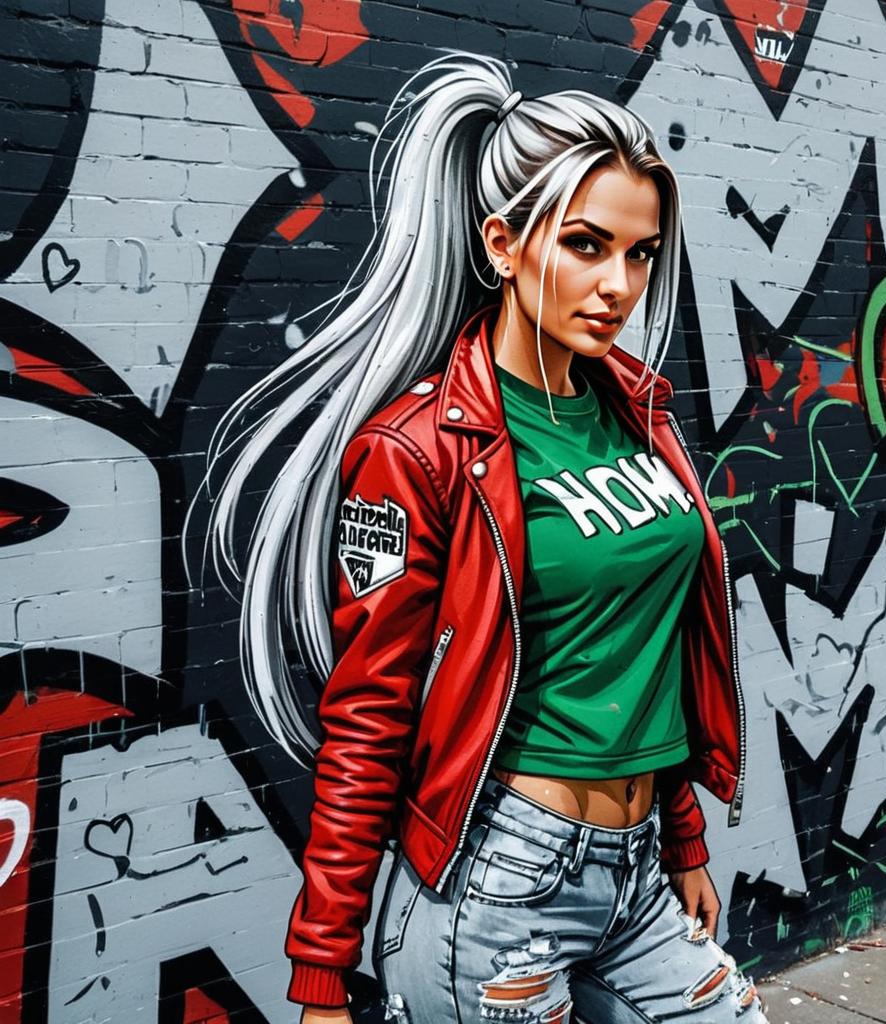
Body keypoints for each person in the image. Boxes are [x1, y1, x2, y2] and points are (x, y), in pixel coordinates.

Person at [198, 53, 766, 1024]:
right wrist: (321, 979)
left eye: (639, 253)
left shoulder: (639, 413)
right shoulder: (417, 452)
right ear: (502, 244)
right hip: (503, 890)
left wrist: (682, 842)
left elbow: (647, 651)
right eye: (586, 245)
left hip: (634, 881)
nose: (618, 283)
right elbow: (369, 716)